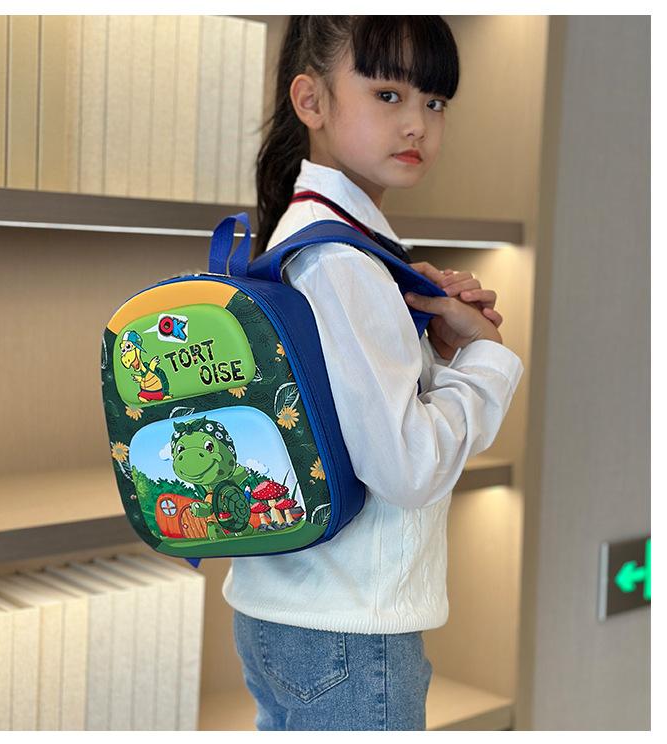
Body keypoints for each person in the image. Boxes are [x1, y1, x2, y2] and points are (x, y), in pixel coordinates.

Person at [222, 16, 524, 731]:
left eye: (435, 101)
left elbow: (350, 418)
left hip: (292, 611)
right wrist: (485, 362)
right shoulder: (343, 262)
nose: (417, 123)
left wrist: (434, 352)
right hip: (349, 633)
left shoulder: (321, 241)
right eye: (388, 95)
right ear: (311, 101)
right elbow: (408, 468)